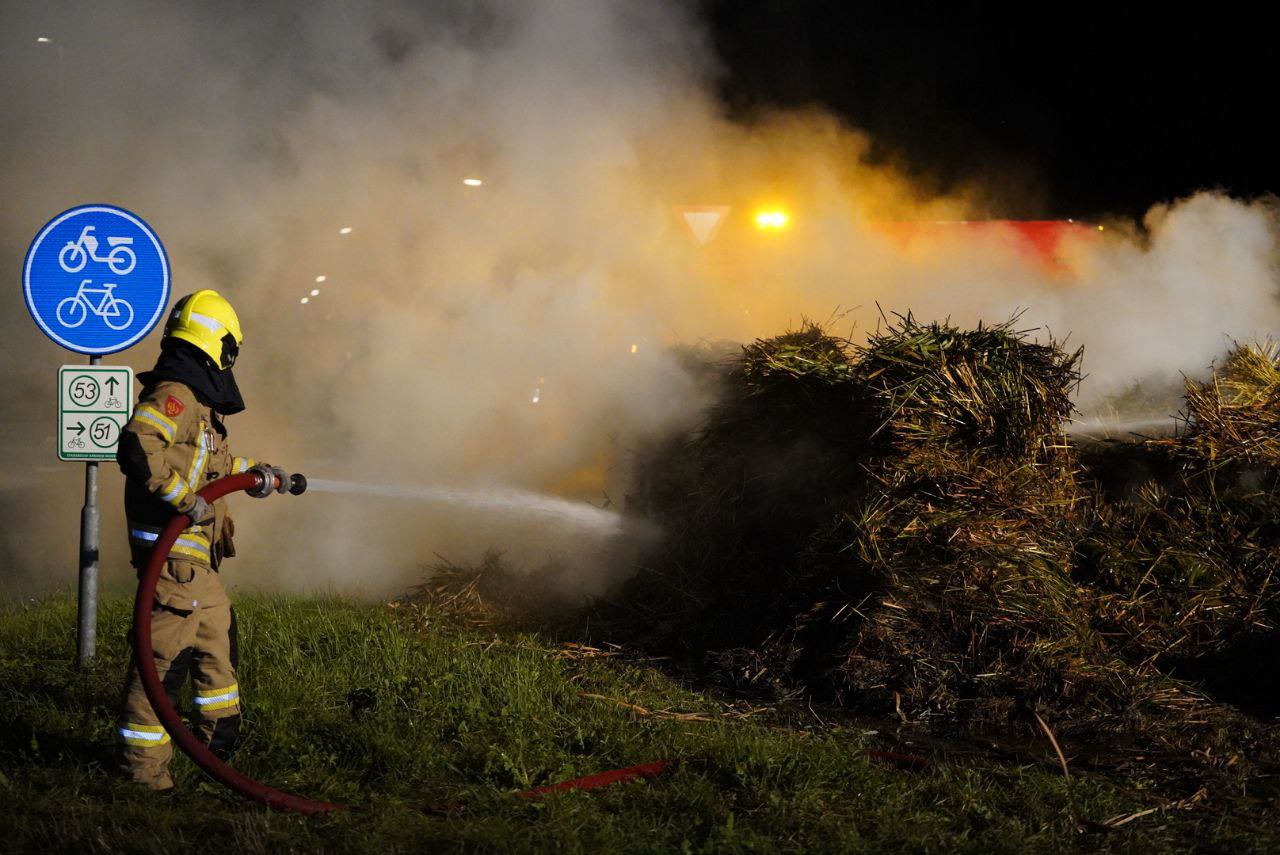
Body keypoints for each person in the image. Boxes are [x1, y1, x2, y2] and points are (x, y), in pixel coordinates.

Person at [115, 289, 289, 791]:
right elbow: (138, 445)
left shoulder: (200, 406)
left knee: (217, 647)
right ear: (218, 343)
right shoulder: (177, 395)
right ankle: (145, 775)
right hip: (170, 562)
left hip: (196, 567)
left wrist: (257, 475)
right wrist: (183, 501)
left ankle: (216, 758)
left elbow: (213, 465)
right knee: (161, 666)